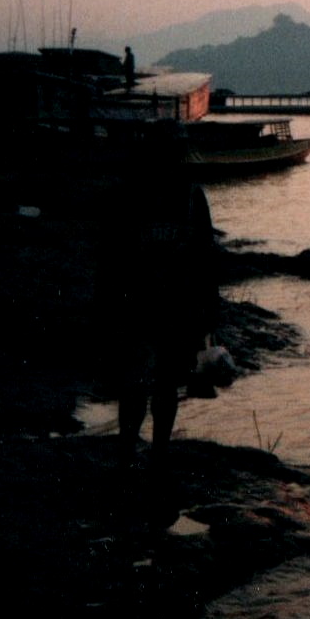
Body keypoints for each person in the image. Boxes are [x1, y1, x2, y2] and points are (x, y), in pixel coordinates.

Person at [100, 125, 218, 462]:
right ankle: (146, 449)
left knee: (150, 382)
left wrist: (208, 309)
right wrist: (210, 308)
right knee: (153, 382)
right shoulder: (135, 197)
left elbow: (205, 255)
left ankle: (140, 448)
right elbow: (205, 255)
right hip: (152, 304)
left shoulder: (184, 197)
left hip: (159, 304)